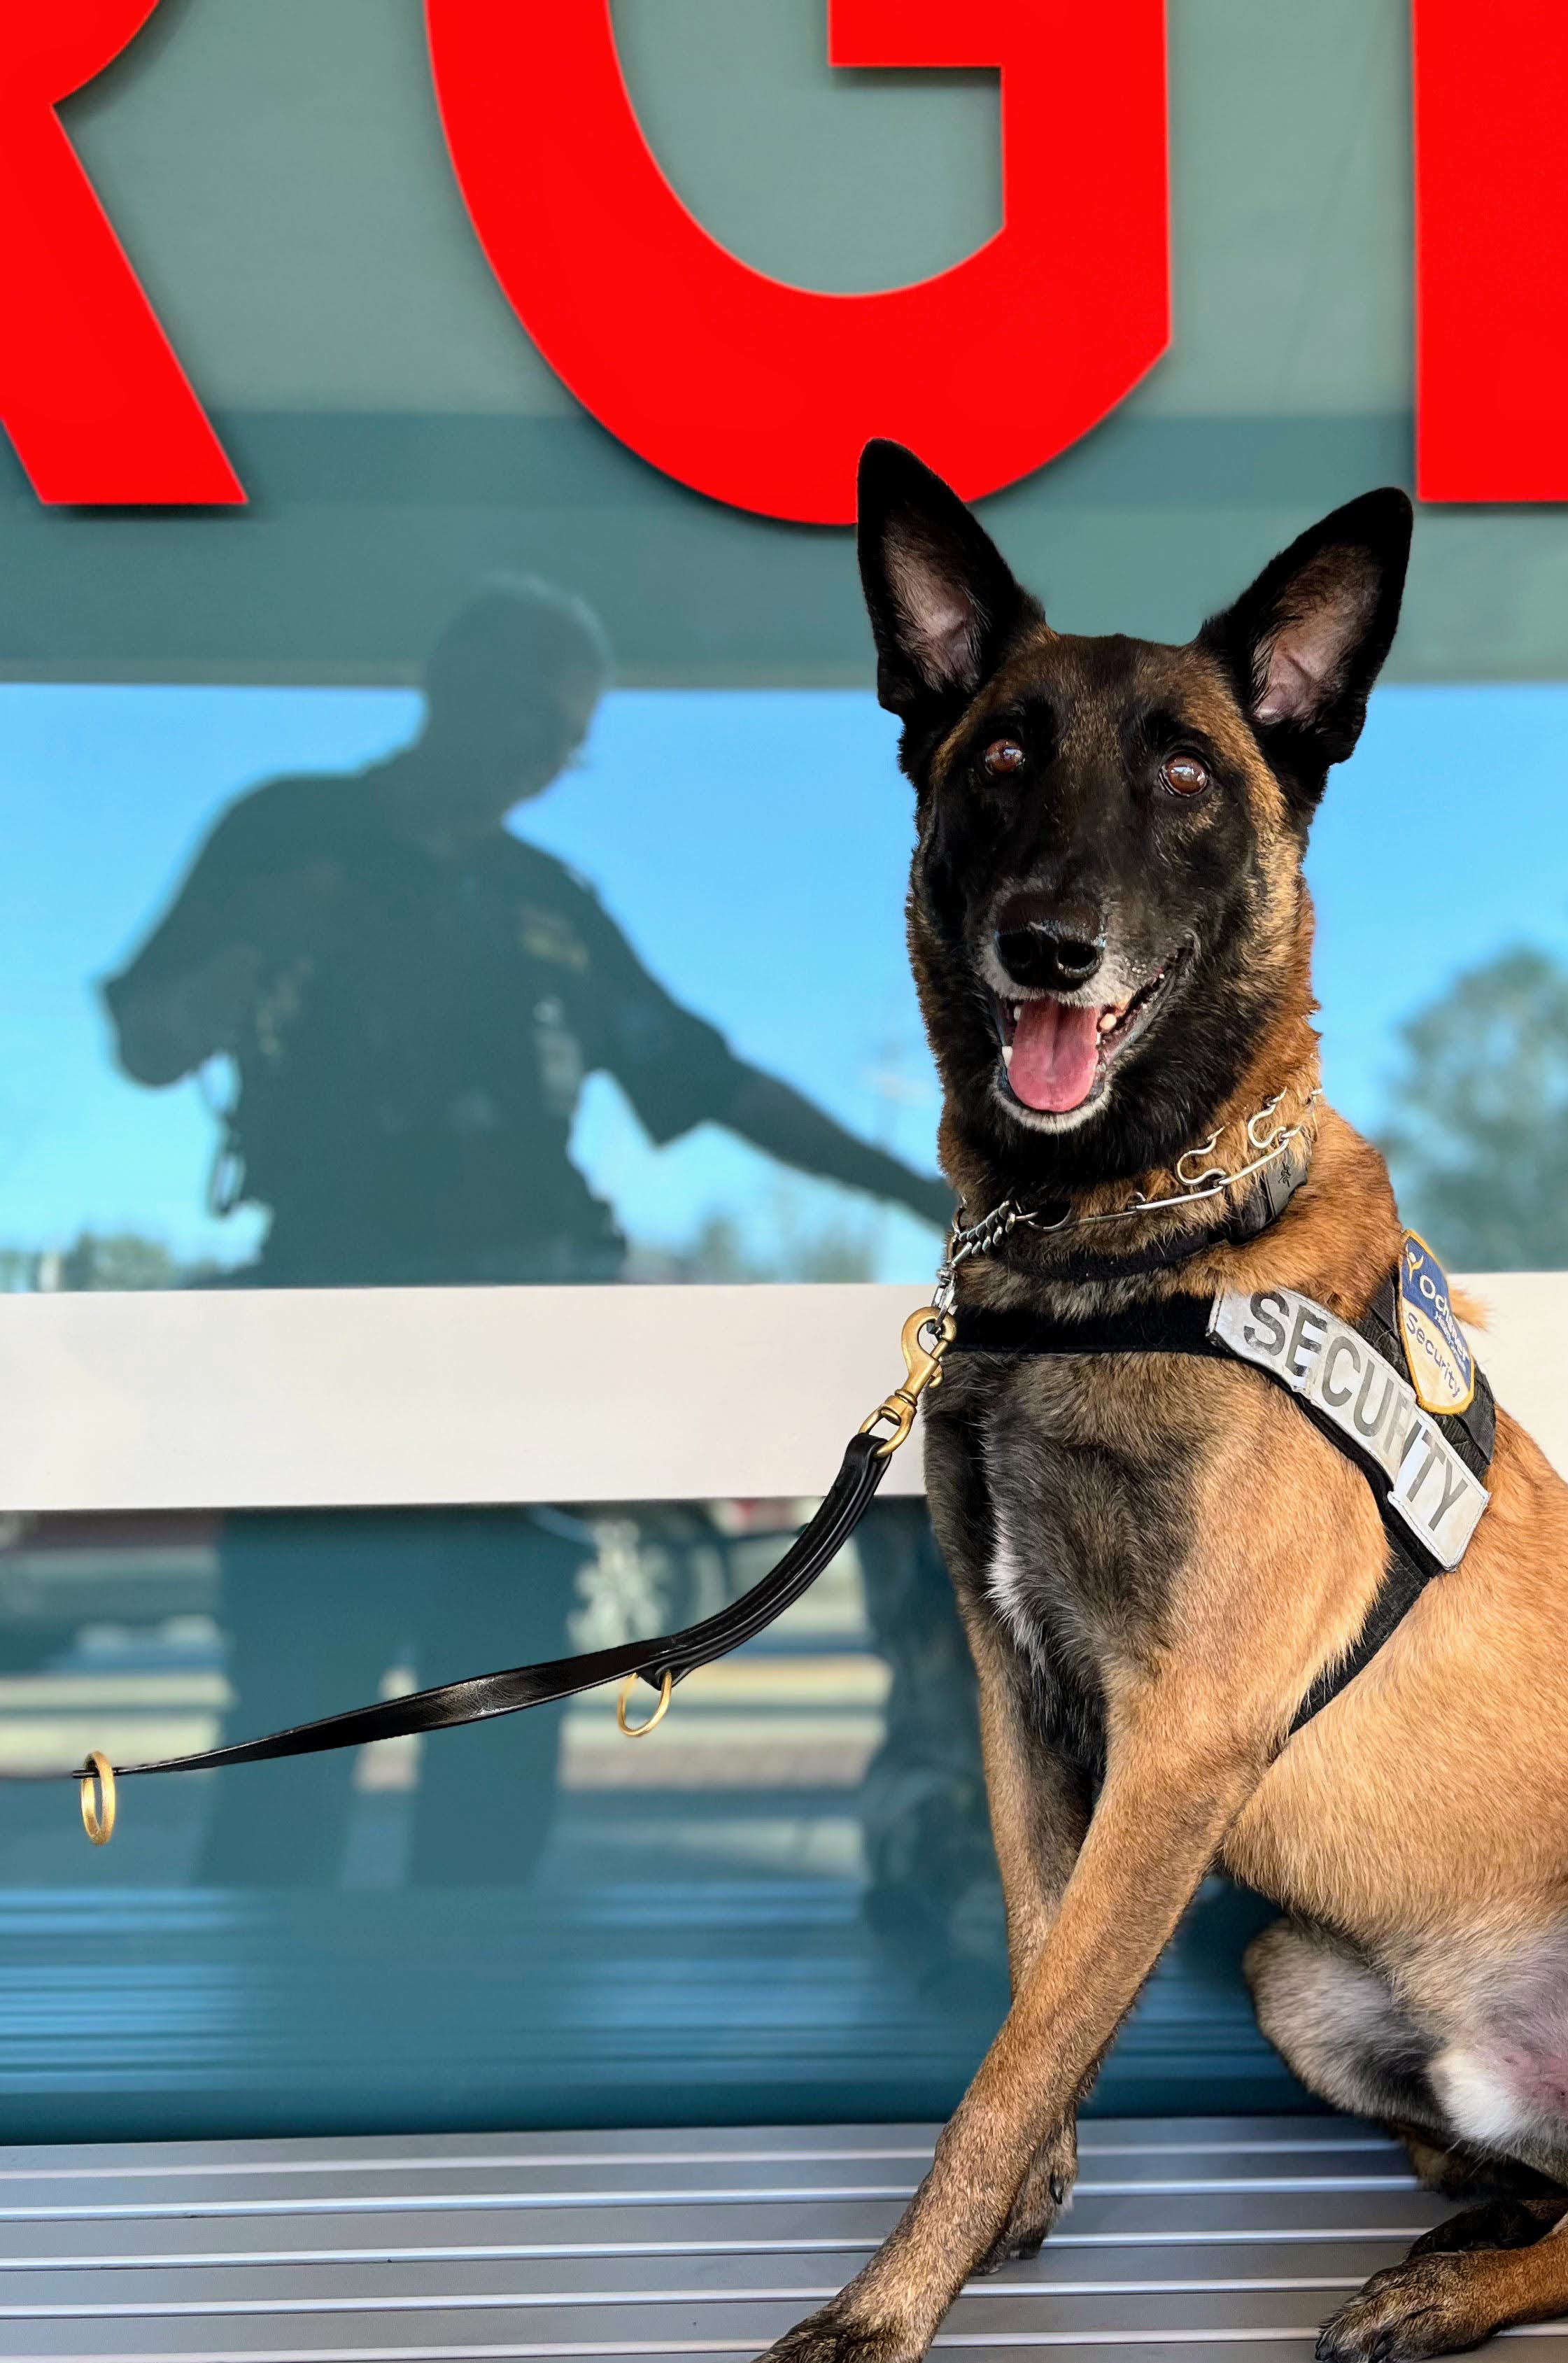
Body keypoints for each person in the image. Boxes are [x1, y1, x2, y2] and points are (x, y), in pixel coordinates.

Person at [101, 577, 960, 1893]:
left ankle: (475, 2035)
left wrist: (928, 1190)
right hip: (322, 1350)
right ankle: (254, 2057)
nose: (548, 758)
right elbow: (148, 1043)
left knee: (497, 1730)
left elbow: (709, 1079)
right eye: (531, 717)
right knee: (292, 1717)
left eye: (570, 738)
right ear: (451, 689)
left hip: (520, 1375)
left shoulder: (548, 900)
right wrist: (242, 962)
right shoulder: (287, 837)